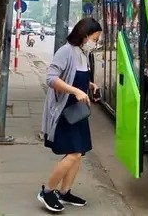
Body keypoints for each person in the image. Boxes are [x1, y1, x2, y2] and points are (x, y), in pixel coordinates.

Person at [38, 17, 101, 212]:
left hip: (78, 113)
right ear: (84, 36)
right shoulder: (65, 51)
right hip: (64, 112)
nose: (96, 43)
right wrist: (75, 91)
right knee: (73, 154)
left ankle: (64, 192)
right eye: (95, 39)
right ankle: (47, 191)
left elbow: (77, 77)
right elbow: (51, 79)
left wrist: (89, 85)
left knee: (78, 154)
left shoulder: (83, 54)